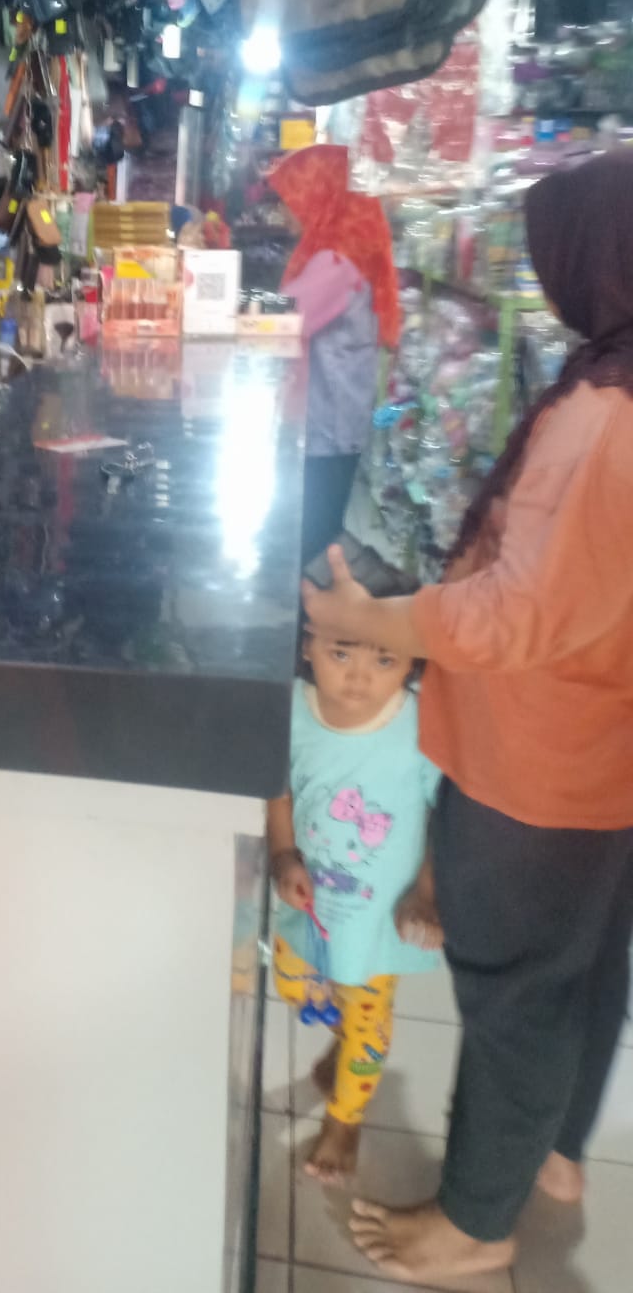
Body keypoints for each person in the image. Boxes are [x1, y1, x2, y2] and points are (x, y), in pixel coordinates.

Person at [302, 147, 633, 1284]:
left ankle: (477, 1222)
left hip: (536, 759)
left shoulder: (607, 413)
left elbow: (517, 615)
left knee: (516, 993)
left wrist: (375, 622)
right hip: (601, 750)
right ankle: (554, 1157)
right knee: (582, 967)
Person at [269, 578, 442, 1187]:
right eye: (341, 652)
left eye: (384, 660)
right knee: (294, 985)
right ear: (308, 646)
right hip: (309, 902)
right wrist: (283, 854)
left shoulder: (421, 726)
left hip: (378, 914)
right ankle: (345, 1046)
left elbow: (445, 815)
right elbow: (279, 788)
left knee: (367, 1016)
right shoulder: (292, 711)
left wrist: (426, 893)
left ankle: (346, 1121)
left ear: (412, 662)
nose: (359, 676)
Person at [270, 145, 401, 565]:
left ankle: (308, 600)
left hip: (329, 422)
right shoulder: (347, 250)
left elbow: (285, 321)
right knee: (321, 524)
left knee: (314, 532)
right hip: (340, 416)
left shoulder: (334, 261)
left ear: (319, 197)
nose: (284, 213)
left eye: (291, 200)